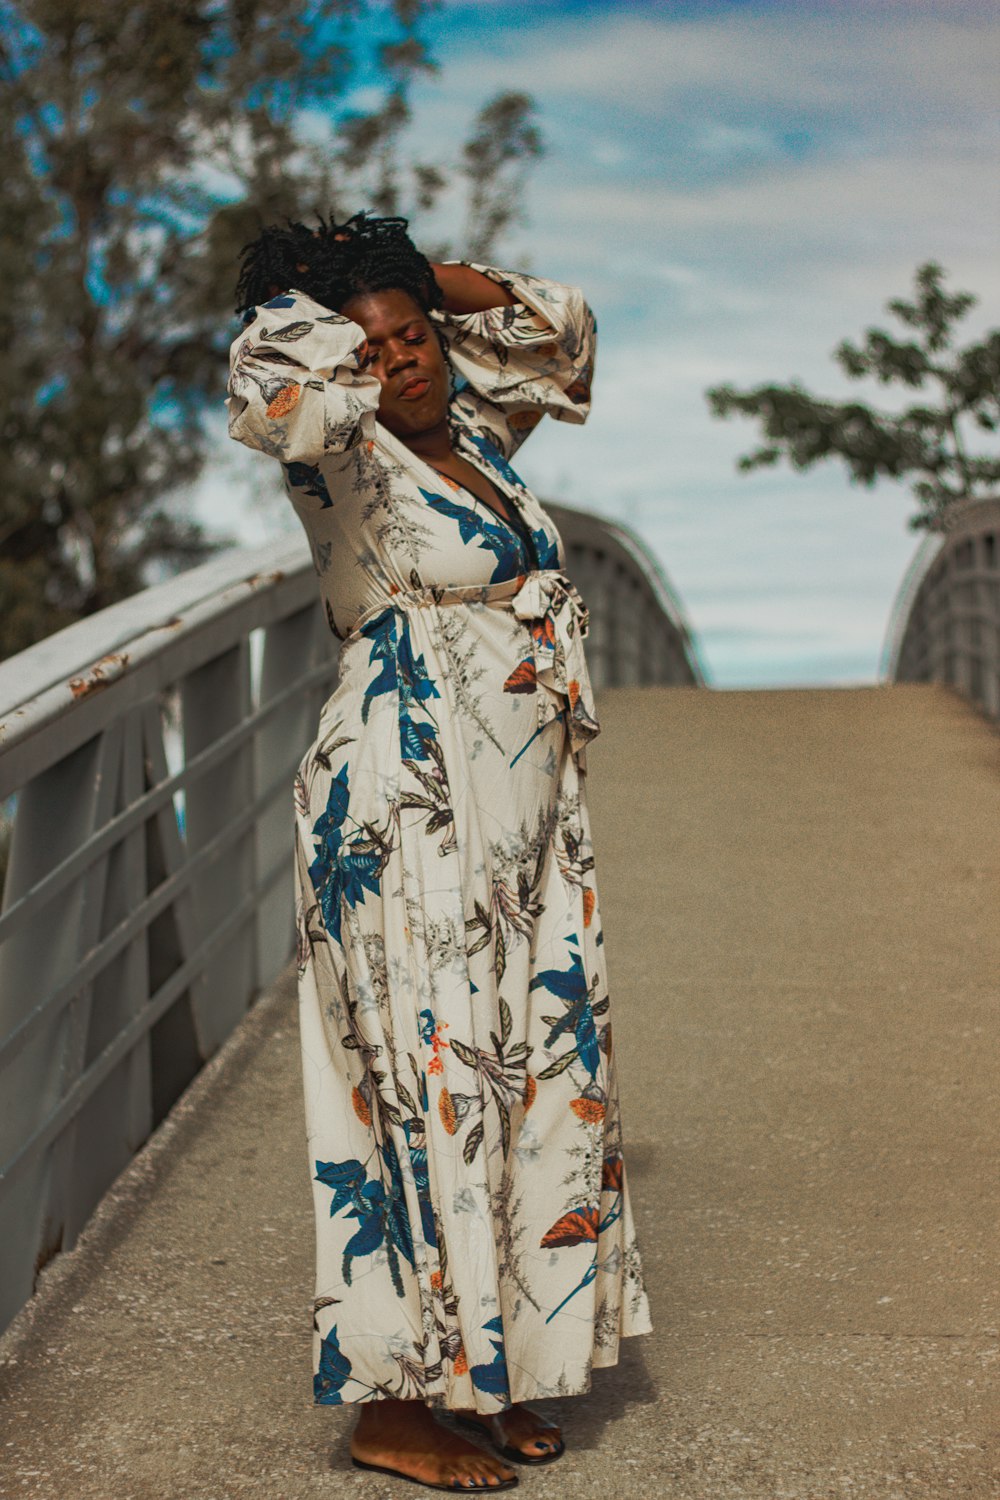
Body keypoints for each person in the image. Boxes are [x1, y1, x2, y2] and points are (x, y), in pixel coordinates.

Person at [226, 212, 651, 1493]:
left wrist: (422, 281)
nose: (402, 359)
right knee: (425, 1085)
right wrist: (337, 307)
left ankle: (492, 1372)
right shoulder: (341, 451)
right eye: (377, 345)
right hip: (405, 805)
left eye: (414, 337)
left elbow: (560, 331)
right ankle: (392, 1406)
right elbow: (276, 393)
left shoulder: (476, 437)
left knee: (525, 1076)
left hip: (522, 823)